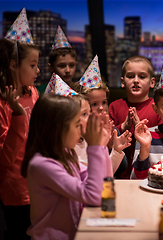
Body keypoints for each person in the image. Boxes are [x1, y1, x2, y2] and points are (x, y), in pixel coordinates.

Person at [20, 94, 111, 239]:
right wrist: (95, 147)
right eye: (76, 125)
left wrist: (102, 145)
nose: (80, 129)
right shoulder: (42, 165)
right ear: (58, 129)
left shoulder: (66, 152)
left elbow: (104, 184)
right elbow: (93, 196)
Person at [0, 8, 40, 239]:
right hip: (16, 190)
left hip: (38, 180)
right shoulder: (2, 104)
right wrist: (16, 115)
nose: (37, 71)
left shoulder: (32, 92)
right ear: (14, 65)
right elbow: (5, 158)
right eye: (32, 65)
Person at [109, 55, 162, 179]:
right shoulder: (114, 106)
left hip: (150, 172)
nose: (136, 80)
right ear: (122, 82)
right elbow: (106, 142)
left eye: (142, 76)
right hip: (119, 173)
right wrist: (123, 126)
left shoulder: (158, 108)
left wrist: (143, 130)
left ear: (152, 82)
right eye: (130, 76)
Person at [78, 55, 128, 175]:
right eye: (94, 104)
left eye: (104, 102)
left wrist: (113, 147)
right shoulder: (77, 134)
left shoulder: (112, 129)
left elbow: (121, 168)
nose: (101, 108)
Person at [73, 93, 132, 173]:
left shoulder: (87, 140)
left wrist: (117, 151)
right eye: (84, 114)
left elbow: (104, 173)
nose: (90, 117)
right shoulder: (64, 151)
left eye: (89, 112)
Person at [48, 25, 78, 92]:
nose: (67, 70)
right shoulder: (43, 91)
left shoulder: (80, 90)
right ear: (51, 67)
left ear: (76, 64)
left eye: (72, 65)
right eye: (62, 66)